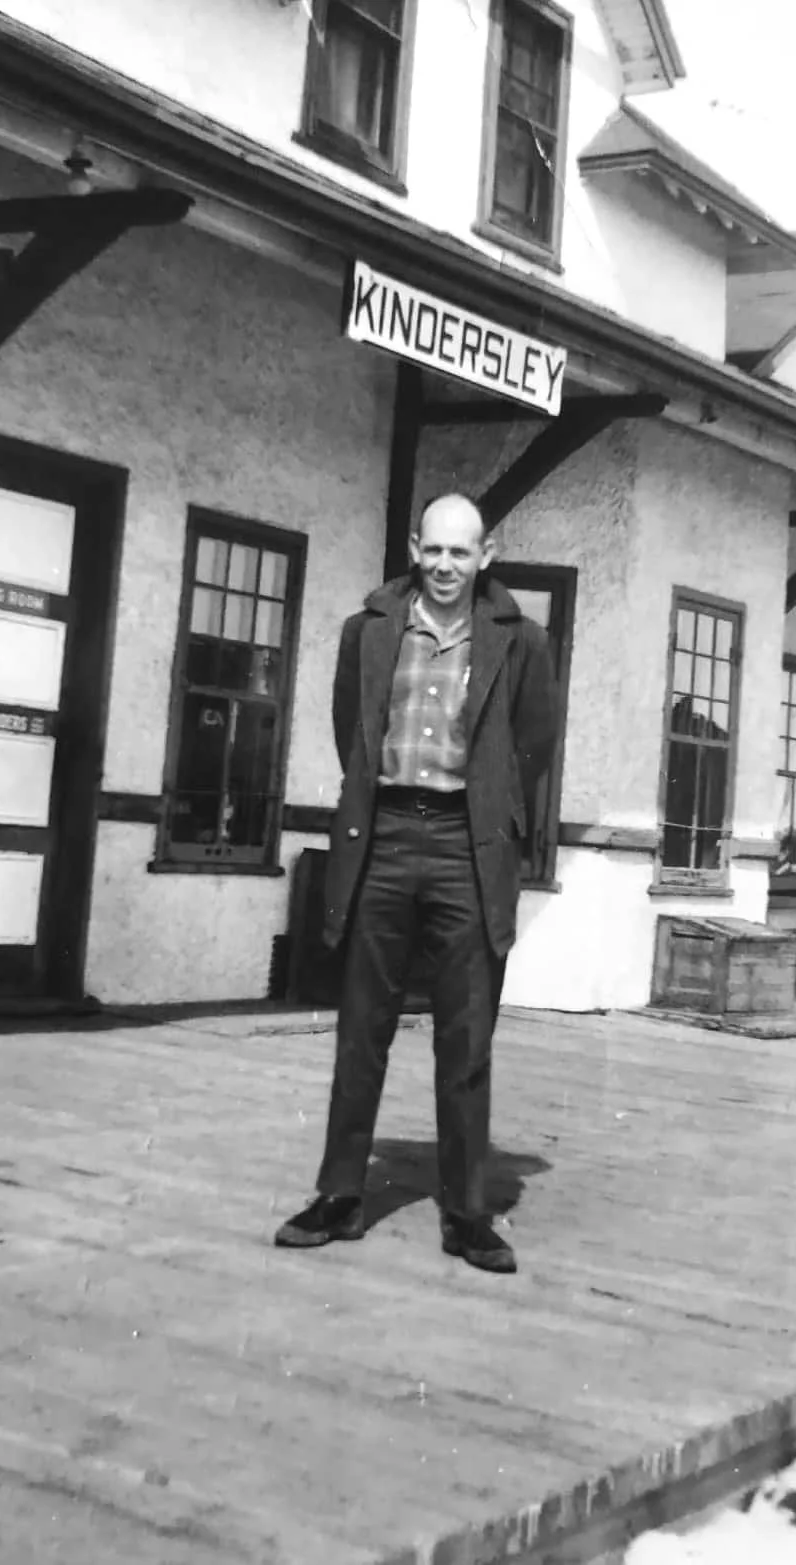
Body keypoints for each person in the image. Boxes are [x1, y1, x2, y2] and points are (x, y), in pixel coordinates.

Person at [274, 493, 556, 1274]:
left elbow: (532, 743)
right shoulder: (367, 632)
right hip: (386, 837)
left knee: (466, 1035)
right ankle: (339, 1194)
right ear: (412, 546)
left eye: (460, 553)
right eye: (433, 550)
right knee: (361, 1024)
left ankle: (467, 1211)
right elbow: (350, 732)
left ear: (486, 554)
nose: (444, 566)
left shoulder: (522, 641)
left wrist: (489, 815)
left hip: (469, 847)